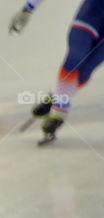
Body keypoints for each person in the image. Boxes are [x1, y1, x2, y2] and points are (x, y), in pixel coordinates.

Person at [10, 0, 104, 143]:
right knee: (77, 52)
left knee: (85, 71)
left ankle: (57, 96)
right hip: (94, 9)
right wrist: (27, 9)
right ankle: (60, 109)